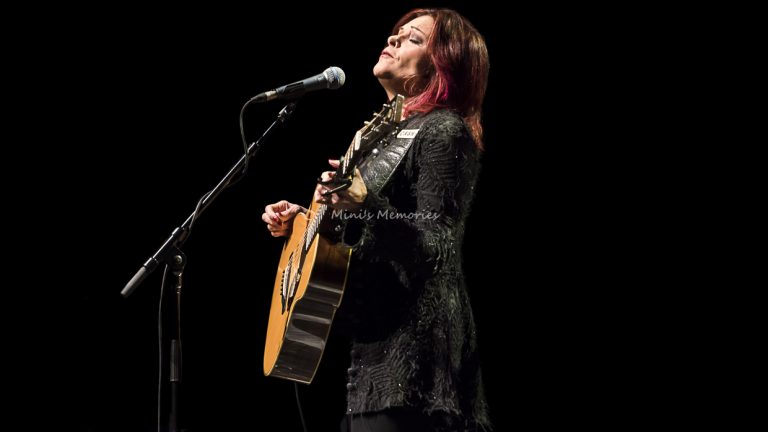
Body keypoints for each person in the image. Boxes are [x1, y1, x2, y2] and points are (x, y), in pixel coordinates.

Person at [262, 8, 491, 432]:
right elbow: (367, 239)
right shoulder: (384, 141)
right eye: (395, 34)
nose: (394, 40)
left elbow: (436, 245)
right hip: (367, 362)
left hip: (416, 371)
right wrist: (303, 223)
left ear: (444, 61)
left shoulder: (444, 130)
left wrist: (365, 203)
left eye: (413, 39)